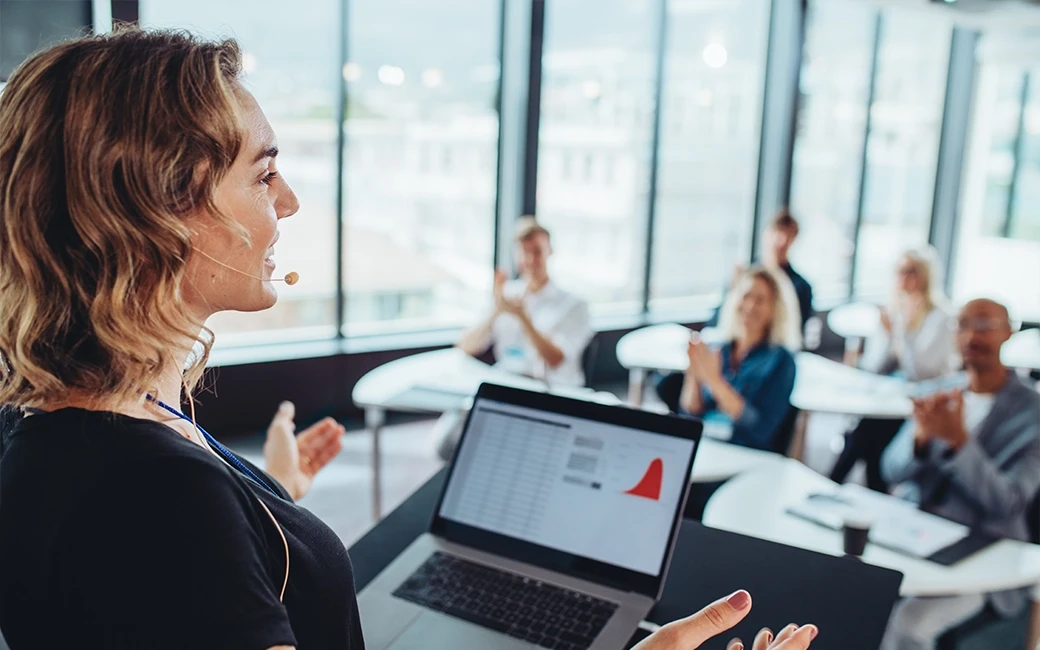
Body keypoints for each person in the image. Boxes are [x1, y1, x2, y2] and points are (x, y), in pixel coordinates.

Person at [0, 29, 820, 650]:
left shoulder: (80, 427)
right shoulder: (155, 501)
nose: (288, 201)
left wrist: (264, 502)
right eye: (262, 172)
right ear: (157, 211)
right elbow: (163, 543)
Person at [879, 299, 1040, 650]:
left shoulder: (1033, 413)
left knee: (908, 626)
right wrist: (920, 440)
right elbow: (890, 469)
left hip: (984, 551)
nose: (971, 336)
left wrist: (959, 443)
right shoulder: (939, 392)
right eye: (962, 325)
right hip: (914, 534)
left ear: (1008, 332)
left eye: (983, 325)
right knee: (848, 590)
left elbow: (1009, 502)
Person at [830, 247, 955, 492]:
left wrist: (902, 332)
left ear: (925, 275)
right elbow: (876, 368)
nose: (903, 278)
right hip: (888, 399)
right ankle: (864, 489)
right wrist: (886, 335)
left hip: (923, 401)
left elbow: (921, 372)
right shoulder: (894, 311)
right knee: (869, 439)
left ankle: (833, 482)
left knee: (866, 434)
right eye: (899, 271)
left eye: (911, 271)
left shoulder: (942, 318)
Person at [676, 266, 801, 453]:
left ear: (774, 308)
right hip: (707, 446)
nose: (750, 306)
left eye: (760, 300)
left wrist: (714, 381)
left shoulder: (781, 361)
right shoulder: (719, 348)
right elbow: (689, 413)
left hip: (746, 453)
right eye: (746, 296)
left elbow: (760, 428)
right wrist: (693, 374)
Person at [457, 216, 593, 387]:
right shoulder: (506, 294)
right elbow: (466, 346)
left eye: (537, 252)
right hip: (507, 384)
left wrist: (523, 318)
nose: (529, 260)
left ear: (549, 251)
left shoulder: (574, 305)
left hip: (555, 389)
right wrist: (496, 310)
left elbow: (556, 359)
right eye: (524, 252)